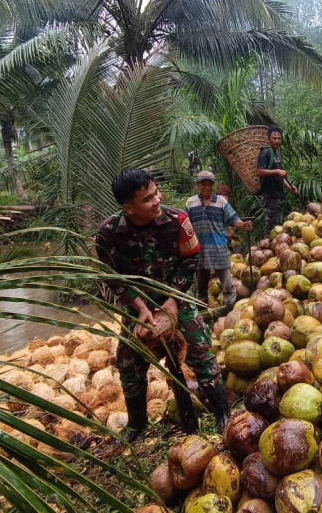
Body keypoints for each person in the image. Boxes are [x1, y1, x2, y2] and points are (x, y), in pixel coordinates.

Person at [94, 168, 231, 440]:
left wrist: (173, 300)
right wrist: (141, 308)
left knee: (201, 353)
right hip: (138, 306)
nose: (157, 200)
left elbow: (191, 260)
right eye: (147, 199)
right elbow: (113, 277)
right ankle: (137, 423)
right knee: (129, 365)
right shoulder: (109, 233)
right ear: (128, 207)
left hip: (177, 296)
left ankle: (223, 413)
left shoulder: (177, 220)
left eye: (156, 193)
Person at [185, 170, 251, 311]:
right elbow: (185, 225)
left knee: (227, 285)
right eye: (204, 184)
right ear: (198, 185)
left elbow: (234, 219)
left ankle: (230, 312)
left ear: (213, 185)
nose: (207, 187)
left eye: (210, 184)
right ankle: (203, 314)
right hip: (200, 251)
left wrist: (243, 224)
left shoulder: (221, 202)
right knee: (201, 287)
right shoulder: (191, 203)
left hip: (218, 249)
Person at [256, 126, 299, 236]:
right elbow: (260, 171)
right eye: (274, 138)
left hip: (279, 195)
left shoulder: (276, 154)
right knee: (271, 226)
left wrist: (290, 188)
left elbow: (280, 176)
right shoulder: (265, 152)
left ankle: (275, 248)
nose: (277, 141)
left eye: (279, 138)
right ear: (268, 139)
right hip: (270, 195)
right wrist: (277, 171)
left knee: (277, 225)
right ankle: (266, 249)